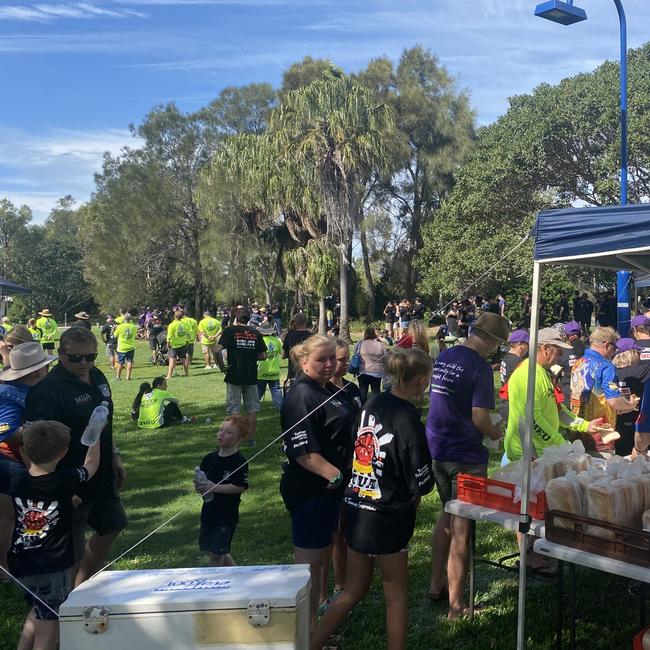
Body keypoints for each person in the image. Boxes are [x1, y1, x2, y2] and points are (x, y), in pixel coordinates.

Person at [310, 348, 434, 650]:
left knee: (353, 589)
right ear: (420, 381)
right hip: (387, 516)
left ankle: (310, 644)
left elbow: (358, 441)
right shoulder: (409, 422)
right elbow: (422, 478)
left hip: (355, 507)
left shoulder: (373, 402)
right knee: (395, 593)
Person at [24, 326, 127, 586]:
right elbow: (33, 444)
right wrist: (51, 487)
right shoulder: (48, 390)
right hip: (67, 478)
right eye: (75, 358)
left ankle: (81, 586)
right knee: (69, 550)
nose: (84, 363)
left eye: (90, 357)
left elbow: (104, 421)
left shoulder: (99, 376)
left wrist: (114, 455)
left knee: (113, 524)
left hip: (101, 471)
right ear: (60, 354)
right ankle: (62, 602)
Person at [427, 312, 507, 619]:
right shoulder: (480, 367)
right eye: (496, 344)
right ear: (487, 339)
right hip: (465, 454)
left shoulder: (446, 356)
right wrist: (494, 432)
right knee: (462, 527)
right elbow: (479, 417)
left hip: (438, 447)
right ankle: (456, 606)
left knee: (446, 514)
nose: (495, 349)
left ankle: (436, 584)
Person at [279, 335, 355, 629]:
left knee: (322, 559)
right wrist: (334, 475)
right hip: (311, 491)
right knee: (309, 569)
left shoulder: (326, 389)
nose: (329, 365)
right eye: (321, 360)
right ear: (303, 361)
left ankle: (314, 629)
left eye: (332, 359)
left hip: (332, 492)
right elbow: (303, 453)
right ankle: (307, 634)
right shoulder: (302, 396)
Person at [6, 420, 101, 650]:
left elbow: (42, 498)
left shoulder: (16, 479)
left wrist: (68, 501)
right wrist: (96, 434)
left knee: (38, 610)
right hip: (52, 565)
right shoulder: (64, 480)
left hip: (21, 562)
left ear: (24, 449)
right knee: (49, 630)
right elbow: (91, 465)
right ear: (64, 452)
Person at [0, 343, 58, 574]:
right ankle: (4, 568)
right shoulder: (11, 396)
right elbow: (5, 431)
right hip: (9, 461)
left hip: (15, 461)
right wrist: (40, 431)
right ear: (35, 371)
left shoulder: (24, 390)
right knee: (10, 517)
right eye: (44, 366)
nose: (47, 369)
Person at [504, 328, 602, 462]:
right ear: (546, 349)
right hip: (527, 454)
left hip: (543, 452)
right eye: (558, 351)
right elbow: (532, 418)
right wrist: (560, 442)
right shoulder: (528, 374)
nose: (560, 356)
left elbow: (556, 409)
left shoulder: (543, 372)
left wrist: (585, 426)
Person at [318, 338, 364, 608]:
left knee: (344, 530)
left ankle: (341, 584)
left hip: (354, 467)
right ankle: (321, 593)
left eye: (347, 360)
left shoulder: (353, 389)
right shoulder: (317, 394)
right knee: (329, 534)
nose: (346, 364)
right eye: (341, 360)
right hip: (328, 471)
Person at [570, 326, 640, 454]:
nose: (614, 352)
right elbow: (613, 400)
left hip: (578, 427)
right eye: (614, 348)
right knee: (601, 471)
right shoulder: (606, 366)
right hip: (601, 432)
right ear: (607, 345)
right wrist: (630, 404)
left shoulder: (579, 361)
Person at [194, 415, 249, 567]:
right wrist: (200, 487)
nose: (221, 434)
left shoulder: (239, 462)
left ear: (239, 438)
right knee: (213, 550)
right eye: (220, 430)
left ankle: (215, 586)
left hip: (226, 515)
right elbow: (203, 481)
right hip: (208, 511)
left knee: (216, 555)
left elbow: (239, 487)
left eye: (228, 432)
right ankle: (237, 574)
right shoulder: (209, 459)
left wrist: (214, 487)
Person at [216, 307, 267, 446]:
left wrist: (222, 367)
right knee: (252, 409)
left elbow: (217, 350)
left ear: (236, 318)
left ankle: (233, 439)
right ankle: (251, 439)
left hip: (234, 375)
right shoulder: (255, 332)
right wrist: (250, 355)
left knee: (234, 410)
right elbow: (263, 355)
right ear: (249, 318)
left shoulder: (230, 331)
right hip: (251, 375)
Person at [612, 338, 647, 456]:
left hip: (616, 423)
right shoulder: (642, 371)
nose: (639, 354)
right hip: (638, 423)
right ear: (630, 354)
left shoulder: (610, 372)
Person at [498, 329, 530, 422]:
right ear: (520, 344)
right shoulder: (517, 362)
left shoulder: (506, 358)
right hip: (514, 406)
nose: (528, 348)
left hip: (505, 403)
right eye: (527, 344)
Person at [357, 327, 387, 403]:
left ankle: (361, 409)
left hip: (362, 371)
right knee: (376, 392)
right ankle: (375, 409)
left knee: (362, 393)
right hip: (377, 372)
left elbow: (356, 355)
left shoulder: (360, 343)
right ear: (374, 334)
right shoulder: (380, 345)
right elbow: (386, 358)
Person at [282, 312, 311, 391]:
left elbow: (283, 355)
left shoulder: (290, 335)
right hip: (308, 373)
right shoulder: (311, 337)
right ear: (306, 322)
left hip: (293, 374)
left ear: (295, 322)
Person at [257, 324, 283, 411]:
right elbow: (281, 353)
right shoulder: (276, 341)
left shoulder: (260, 341)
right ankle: (282, 410)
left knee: (258, 392)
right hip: (274, 372)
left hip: (261, 371)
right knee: (276, 392)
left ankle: (253, 409)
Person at [166, 309, 190, 379]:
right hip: (182, 343)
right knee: (184, 360)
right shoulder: (184, 324)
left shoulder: (172, 325)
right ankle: (186, 374)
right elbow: (187, 334)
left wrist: (168, 343)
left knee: (172, 360)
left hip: (173, 345)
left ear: (174, 316)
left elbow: (169, 336)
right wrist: (187, 342)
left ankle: (169, 375)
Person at [113, 312, 137, 381]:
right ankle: (128, 377)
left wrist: (114, 330)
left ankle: (118, 377)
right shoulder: (133, 326)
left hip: (122, 347)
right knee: (129, 361)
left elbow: (115, 335)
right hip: (131, 346)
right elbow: (134, 335)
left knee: (120, 362)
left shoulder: (120, 326)